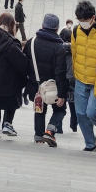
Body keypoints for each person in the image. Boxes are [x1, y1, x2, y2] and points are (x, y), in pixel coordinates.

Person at [26, 13, 69, 147]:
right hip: (53, 87)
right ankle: (50, 130)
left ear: (43, 26)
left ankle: (38, 137)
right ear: (57, 29)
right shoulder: (59, 47)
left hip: (35, 85)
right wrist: (62, 95)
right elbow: (60, 72)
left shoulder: (31, 42)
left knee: (39, 110)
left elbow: (25, 64)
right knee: (60, 110)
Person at [71, 1, 96, 152]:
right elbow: (74, 54)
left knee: (93, 114)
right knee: (80, 114)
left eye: (85, 20)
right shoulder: (75, 31)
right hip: (80, 79)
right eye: (79, 20)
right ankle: (90, 144)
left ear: (93, 18)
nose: (82, 23)